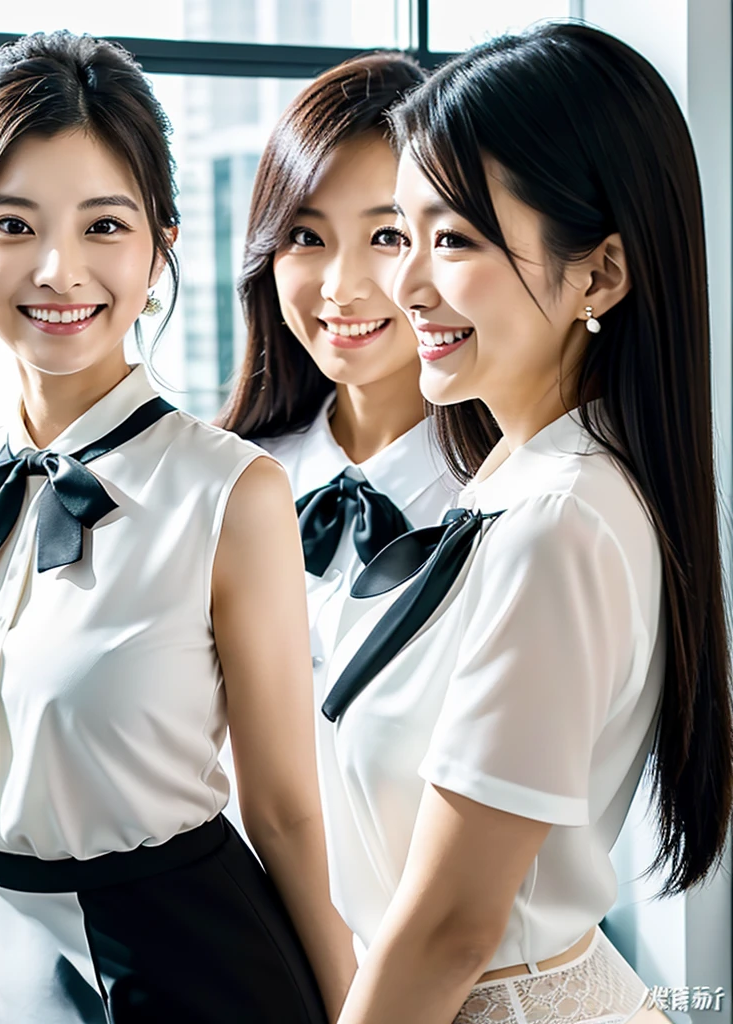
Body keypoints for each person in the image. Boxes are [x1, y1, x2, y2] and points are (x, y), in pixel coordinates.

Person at [0, 31, 356, 1024]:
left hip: (197, 975)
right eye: (14, 223)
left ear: (158, 245)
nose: (60, 269)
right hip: (10, 976)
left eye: (104, 225)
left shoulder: (230, 493)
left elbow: (284, 812)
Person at [321, 23, 731, 1024]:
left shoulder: (560, 516)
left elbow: (454, 923)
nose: (403, 285)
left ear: (597, 275)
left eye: (454, 239)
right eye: (402, 234)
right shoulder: (520, 471)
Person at [218, 52, 456, 854]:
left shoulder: (501, 502)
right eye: (305, 237)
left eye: (386, 235)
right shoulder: (225, 480)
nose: (341, 287)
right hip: (235, 934)